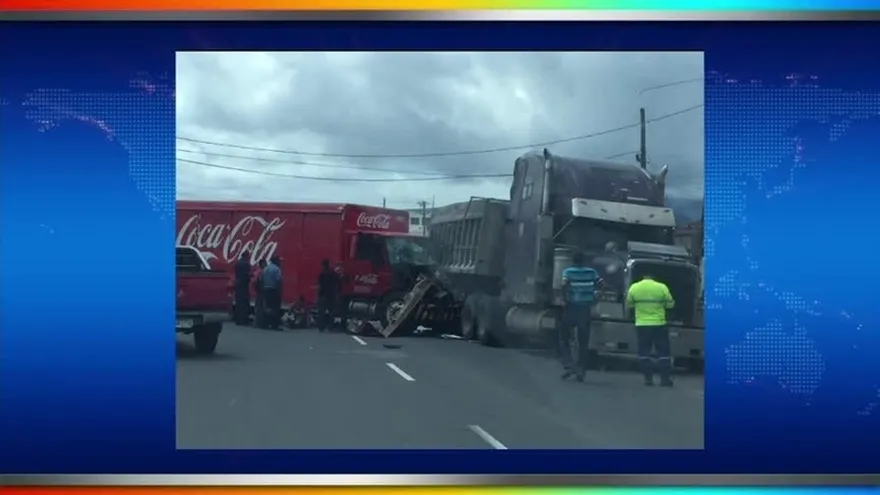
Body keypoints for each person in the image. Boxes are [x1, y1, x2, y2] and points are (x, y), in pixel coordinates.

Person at [626, 272, 676, 387]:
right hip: (659, 324)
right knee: (663, 353)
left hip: (642, 324)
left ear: (643, 276)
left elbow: (629, 304)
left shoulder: (634, 287)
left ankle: (648, 379)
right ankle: (665, 380)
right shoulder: (661, 287)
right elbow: (670, 305)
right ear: (654, 277)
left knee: (644, 353)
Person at [559, 251, 600, 382]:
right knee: (583, 341)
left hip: (571, 307)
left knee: (564, 337)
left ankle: (569, 364)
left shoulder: (568, 272)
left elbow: (564, 285)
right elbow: (602, 284)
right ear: (584, 261)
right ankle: (581, 369)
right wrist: (596, 298)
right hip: (585, 308)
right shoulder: (592, 272)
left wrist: (565, 298)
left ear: (572, 261)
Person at [316, 259, 340, 332]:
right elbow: (337, 283)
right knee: (331, 312)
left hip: (323, 295)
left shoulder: (322, 274)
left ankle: (321, 327)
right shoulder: (333, 273)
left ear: (323, 265)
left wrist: (318, 295)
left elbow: (320, 286)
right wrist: (337, 294)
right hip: (331, 295)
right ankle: (330, 326)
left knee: (321, 312)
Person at [261, 256, 283, 330]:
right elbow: (278, 280)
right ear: (276, 261)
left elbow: (261, 279)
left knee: (267, 307)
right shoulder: (277, 269)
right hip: (273, 290)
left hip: (265, 289)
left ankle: (265, 323)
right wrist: (280, 291)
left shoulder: (266, 268)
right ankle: (274, 324)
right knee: (275, 307)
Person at [233, 251, 252, 325]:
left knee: (239, 303)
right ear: (246, 256)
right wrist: (250, 276)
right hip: (243, 285)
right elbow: (246, 275)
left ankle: (238, 319)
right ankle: (243, 319)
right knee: (244, 303)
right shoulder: (246, 264)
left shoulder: (238, 263)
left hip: (238, 284)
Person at [252, 259, 267, 328]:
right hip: (261, 291)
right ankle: (259, 322)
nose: (266, 264)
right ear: (262, 264)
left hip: (258, 291)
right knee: (261, 306)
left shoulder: (257, 271)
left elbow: (254, 281)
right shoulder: (261, 272)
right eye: (265, 263)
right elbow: (257, 281)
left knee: (258, 306)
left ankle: (257, 321)